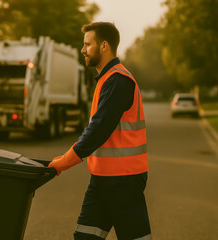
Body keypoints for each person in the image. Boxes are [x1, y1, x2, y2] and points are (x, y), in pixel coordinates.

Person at [48, 22, 152, 240]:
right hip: (104, 179)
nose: (82, 49)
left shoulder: (118, 80)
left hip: (123, 180)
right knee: (85, 236)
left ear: (104, 46)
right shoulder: (107, 79)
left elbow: (97, 130)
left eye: (88, 44)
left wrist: (64, 161)